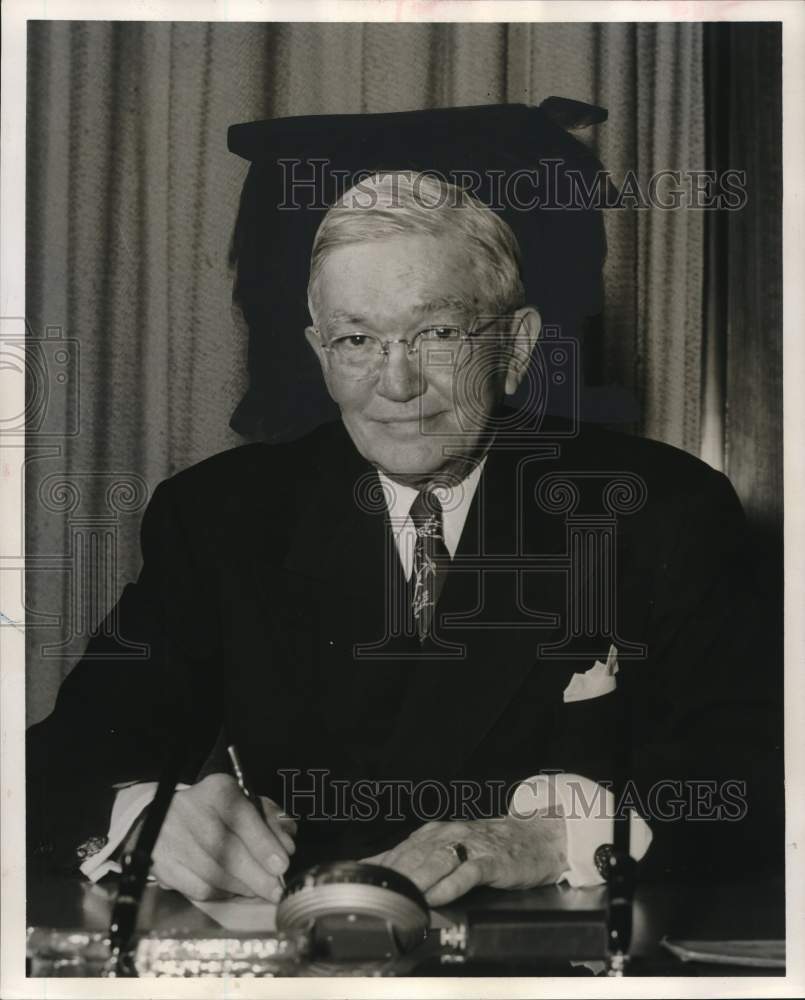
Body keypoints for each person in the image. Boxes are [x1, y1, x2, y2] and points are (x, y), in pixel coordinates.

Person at [27, 150, 781, 910]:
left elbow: (753, 781)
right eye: (358, 341)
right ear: (321, 354)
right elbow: (60, 764)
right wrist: (143, 819)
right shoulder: (220, 516)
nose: (395, 383)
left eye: (438, 333)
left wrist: (556, 838)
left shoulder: (659, 507)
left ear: (516, 346)